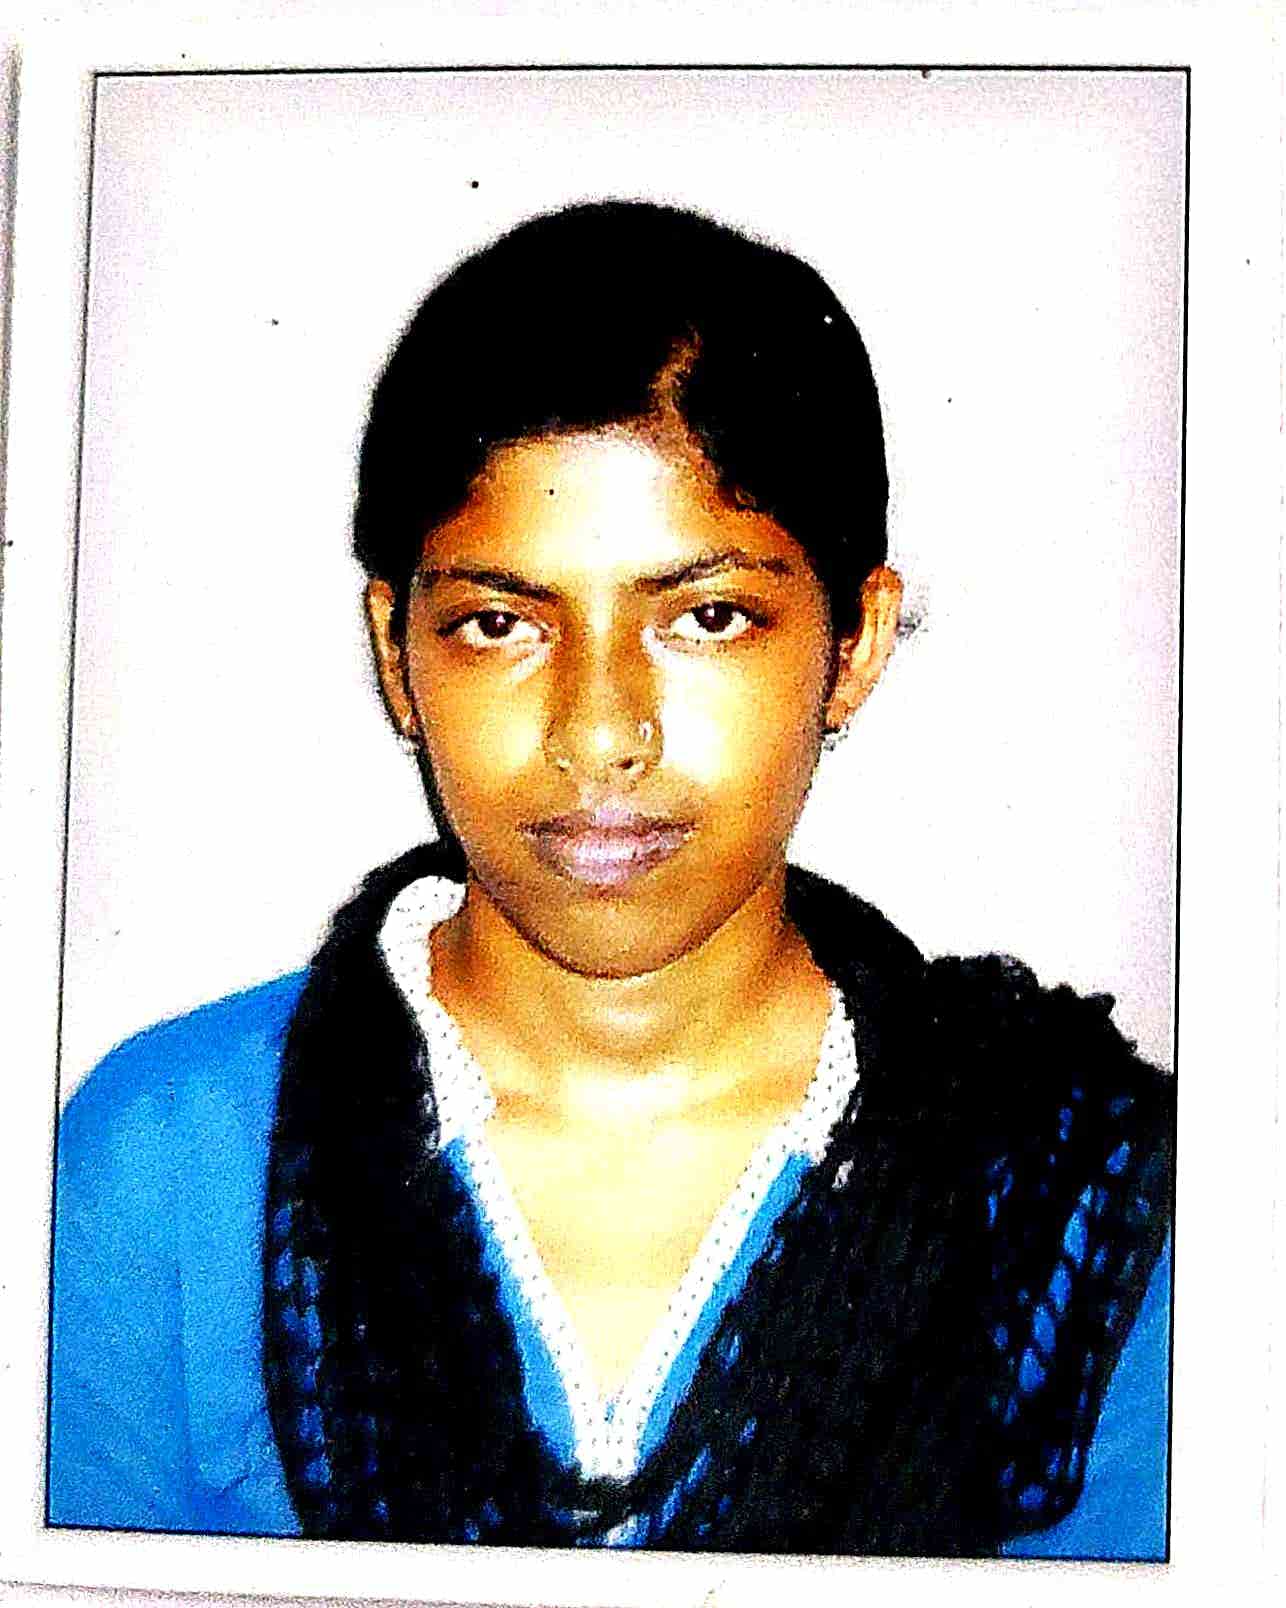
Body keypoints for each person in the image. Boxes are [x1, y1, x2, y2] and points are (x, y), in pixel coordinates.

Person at [49, 200, 1173, 1558]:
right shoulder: (166, 1163)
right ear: (398, 656)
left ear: (855, 644)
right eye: (497, 623)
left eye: (707, 617)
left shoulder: (1076, 1195)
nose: (597, 732)